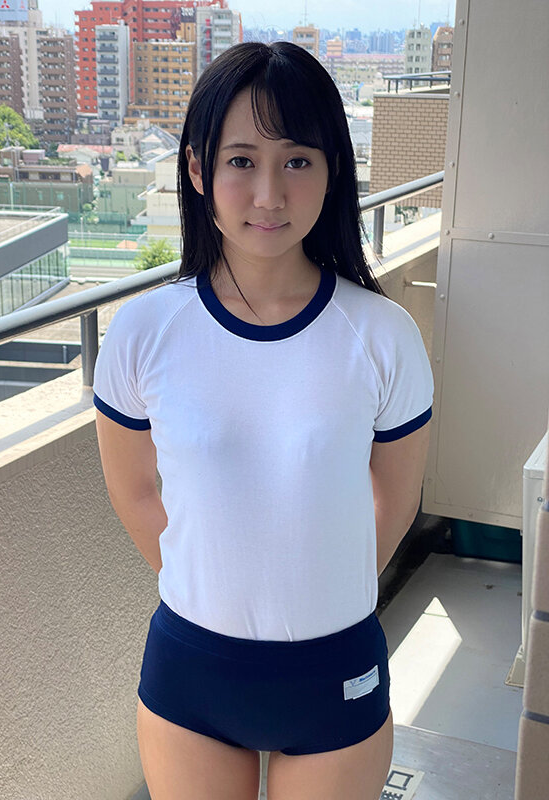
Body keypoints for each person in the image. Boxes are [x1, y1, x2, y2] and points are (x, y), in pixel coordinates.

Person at [93, 41, 433, 800]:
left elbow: (396, 501)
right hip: (192, 674)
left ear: (334, 169)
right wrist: (208, 582)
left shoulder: (382, 336)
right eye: (241, 161)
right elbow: (133, 491)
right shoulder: (144, 331)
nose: (269, 194)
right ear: (196, 170)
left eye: (298, 160)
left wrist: (322, 591)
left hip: (334, 670)